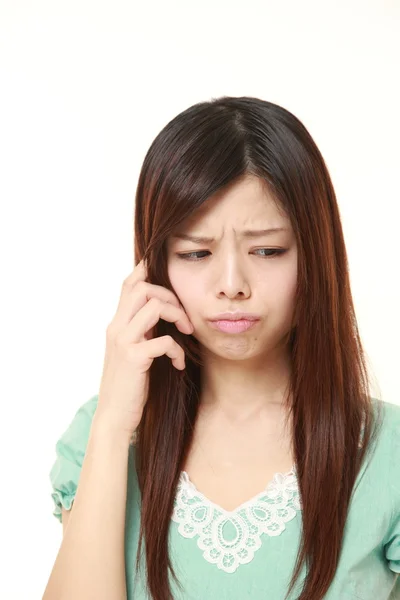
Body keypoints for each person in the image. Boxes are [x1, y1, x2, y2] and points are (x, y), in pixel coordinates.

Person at [42, 96, 400, 600]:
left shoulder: (389, 451)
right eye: (195, 252)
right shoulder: (100, 437)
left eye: (267, 250)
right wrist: (113, 424)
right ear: (155, 265)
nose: (231, 284)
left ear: (316, 255)